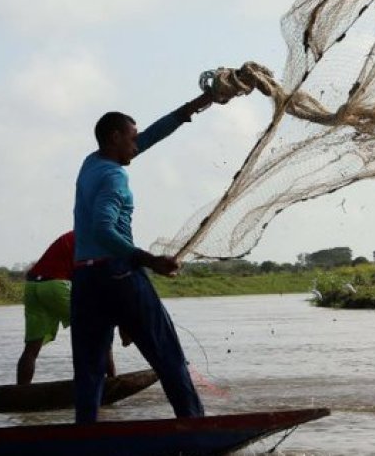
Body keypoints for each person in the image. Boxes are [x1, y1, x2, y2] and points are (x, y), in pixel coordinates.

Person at [70, 70, 253, 424]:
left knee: (89, 370)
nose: (136, 145)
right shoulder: (114, 177)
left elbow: (151, 136)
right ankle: (194, 428)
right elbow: (103, 228)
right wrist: (149, 261)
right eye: (131, 139)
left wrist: (202, 103)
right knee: (167, 355)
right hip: (118, 275)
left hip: (85, 280)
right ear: (113, 138)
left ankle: (84, 438)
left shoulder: (91, 163)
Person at [16, 230, 117, 385]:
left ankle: (20, 393)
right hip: (55, 284)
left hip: (32, 285)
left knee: (32, 347)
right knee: (99, 329)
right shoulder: (98, 239)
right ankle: (112, 381)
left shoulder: (78, 234)